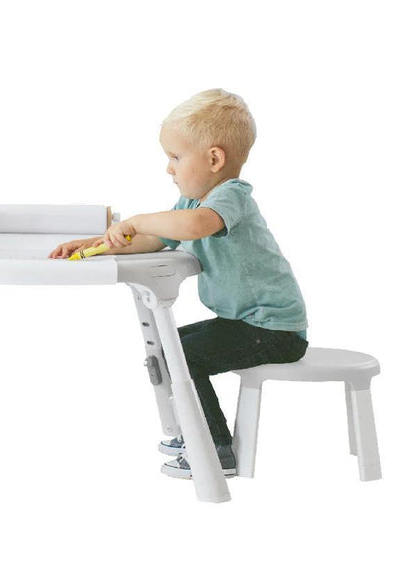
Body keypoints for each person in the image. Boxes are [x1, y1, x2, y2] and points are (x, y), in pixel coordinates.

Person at [49, 89, 308, 478]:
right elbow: (153, 239)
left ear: (214, 159)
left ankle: (214, 449)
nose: (169, 169)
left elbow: (195, 226)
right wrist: (93, 245)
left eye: (175, 157)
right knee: (169, 344)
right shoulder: (193, 202)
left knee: (182, 354)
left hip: (274, 330)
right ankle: (195, 431)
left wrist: (136, 219)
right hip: (247, 324)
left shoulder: (230, 196)